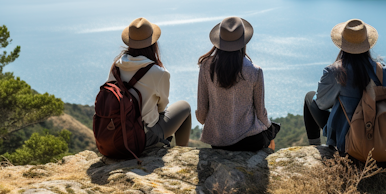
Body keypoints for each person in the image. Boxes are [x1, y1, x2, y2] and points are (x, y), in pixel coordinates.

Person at [303, 19, 386, 153]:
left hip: (348, 142)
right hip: (383, 138)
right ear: (367, 44)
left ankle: (314, 146)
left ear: (342, 44)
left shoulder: (335, 71)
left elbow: (321, 104)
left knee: (310, 97)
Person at [196, 16, 280, 151]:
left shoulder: (206, 66)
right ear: (244, 41)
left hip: (217, 140)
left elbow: (201, 115)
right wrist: (271, 130)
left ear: (218, 40)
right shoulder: (255, 71)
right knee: (272, 130)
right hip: (249, 140)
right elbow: (261, 114)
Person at [107, 17, 191, 147]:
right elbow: (162, 107)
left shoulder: (116, 66)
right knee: (185, 107)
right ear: (153, 44)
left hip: (116, 134)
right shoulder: (159, 72)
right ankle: (181, 153)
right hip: (142, 136)